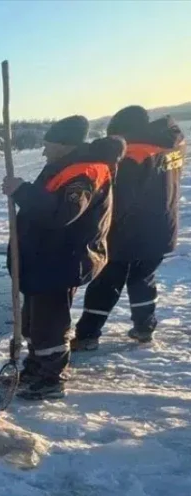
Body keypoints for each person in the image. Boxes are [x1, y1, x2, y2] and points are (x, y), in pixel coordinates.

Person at [1, 116, 126, 400]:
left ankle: (51, 380)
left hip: (61, 260)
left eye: (48, 145)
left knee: (49, 325)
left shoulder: (85, 173)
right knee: (34, 322)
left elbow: (62, 213)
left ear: (64, 145)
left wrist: (22, 191)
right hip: (45, 258)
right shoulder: (66, 166)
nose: (44, 152)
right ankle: (35, 368)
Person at [73, 106, 185, 349]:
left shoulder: (133, 154)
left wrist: (101, 227)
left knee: (105, 280)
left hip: (129, 231)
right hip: (162, 227)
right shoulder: (171, 144)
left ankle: (87, 336)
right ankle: (145, 328)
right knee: (142, 278)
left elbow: (122, 198)